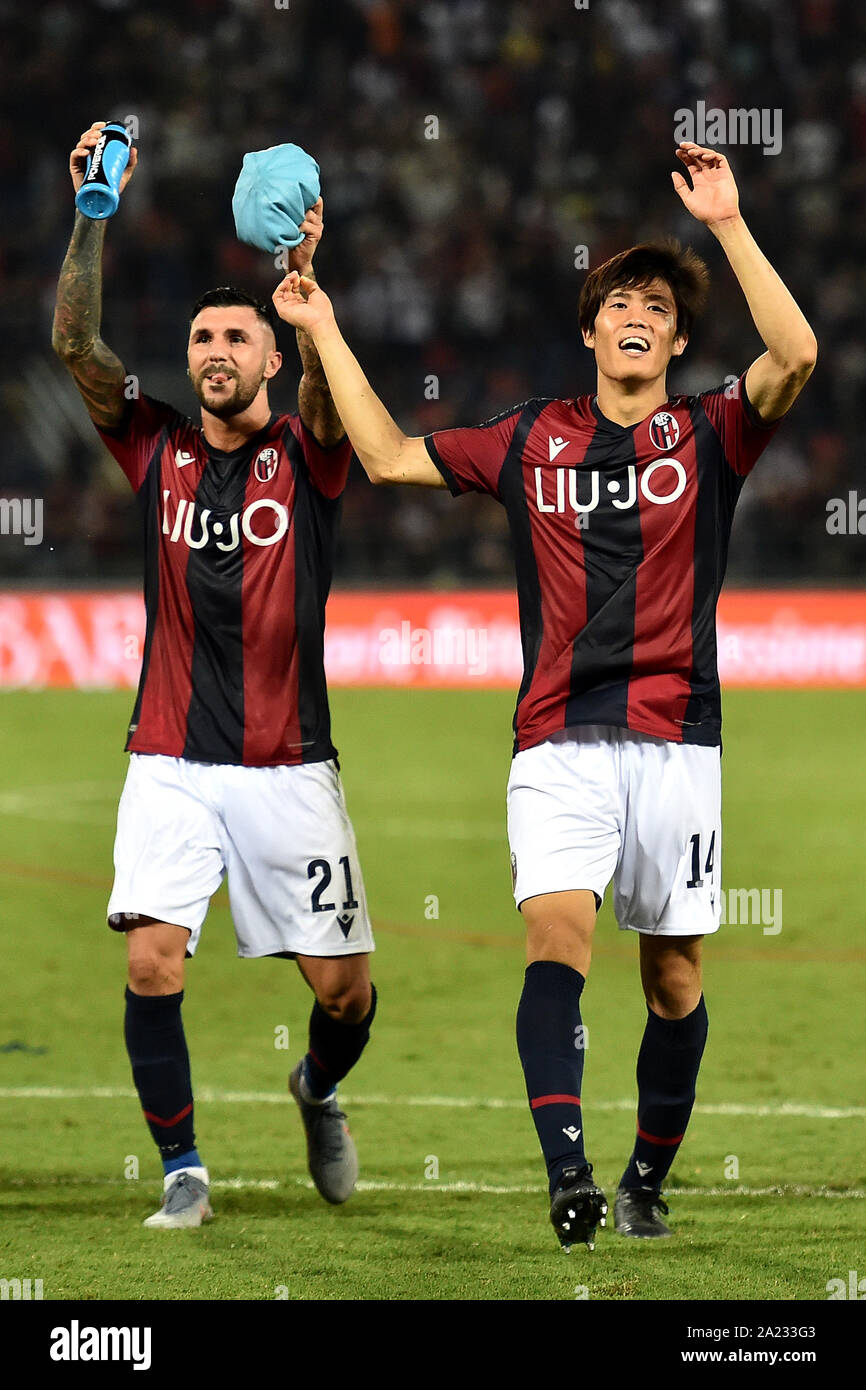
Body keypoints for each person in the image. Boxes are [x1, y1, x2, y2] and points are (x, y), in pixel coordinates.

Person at [270, 142, 817, 1250]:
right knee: (553, 949)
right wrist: (320, 329)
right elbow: (380, 457)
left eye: (655, 306)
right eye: (616, 299)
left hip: (677, 741)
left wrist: (725, 222)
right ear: (589, 333)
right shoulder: (529, 436)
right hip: (557, 740)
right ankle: (566, 1175)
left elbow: (795, 351)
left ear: (671, 340)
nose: (635, 311)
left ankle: (644, 1180)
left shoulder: (710, 432)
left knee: (671, 977)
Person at [52, 122, 377, 1229]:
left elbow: (336, 400)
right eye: (199, 338)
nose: (214, 350)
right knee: (151, 962)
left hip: (290, 763)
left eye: (235, 336)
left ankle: (318, 1087)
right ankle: (183, 1168)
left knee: (344, 993)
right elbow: (74, 346)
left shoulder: (309, 451)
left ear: (271, 357)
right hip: (170, 758)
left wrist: (303, 277)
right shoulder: (155, 449)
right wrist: (94, 216)